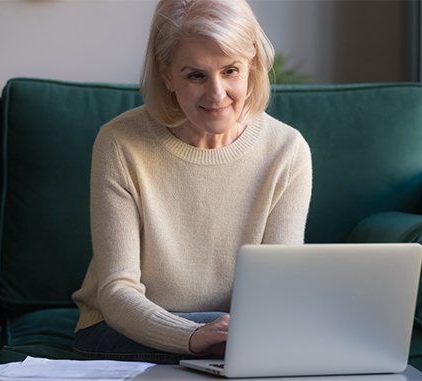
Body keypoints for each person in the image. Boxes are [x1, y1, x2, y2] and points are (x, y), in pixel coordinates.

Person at [72, 0, 312, 363]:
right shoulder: (120, 142)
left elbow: (280, 287)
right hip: (117, 327)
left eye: (230, 70)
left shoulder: (286, 150)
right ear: (166, 75)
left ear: (253, 66)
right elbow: (117, 292)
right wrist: (193, 336)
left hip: (234, 328)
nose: (216, 94)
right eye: (195, 75)